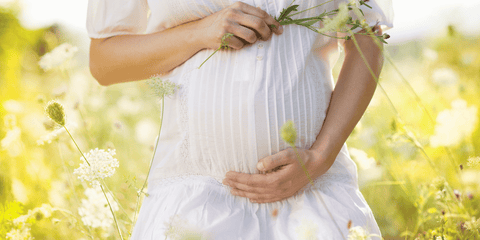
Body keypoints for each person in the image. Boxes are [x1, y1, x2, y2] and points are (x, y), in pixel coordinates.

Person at [87, 0, 393, 239]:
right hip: (195, 201)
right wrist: (199, 32)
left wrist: (320, 157)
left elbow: (367, 38)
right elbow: (105, 61)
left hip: (315, 194)